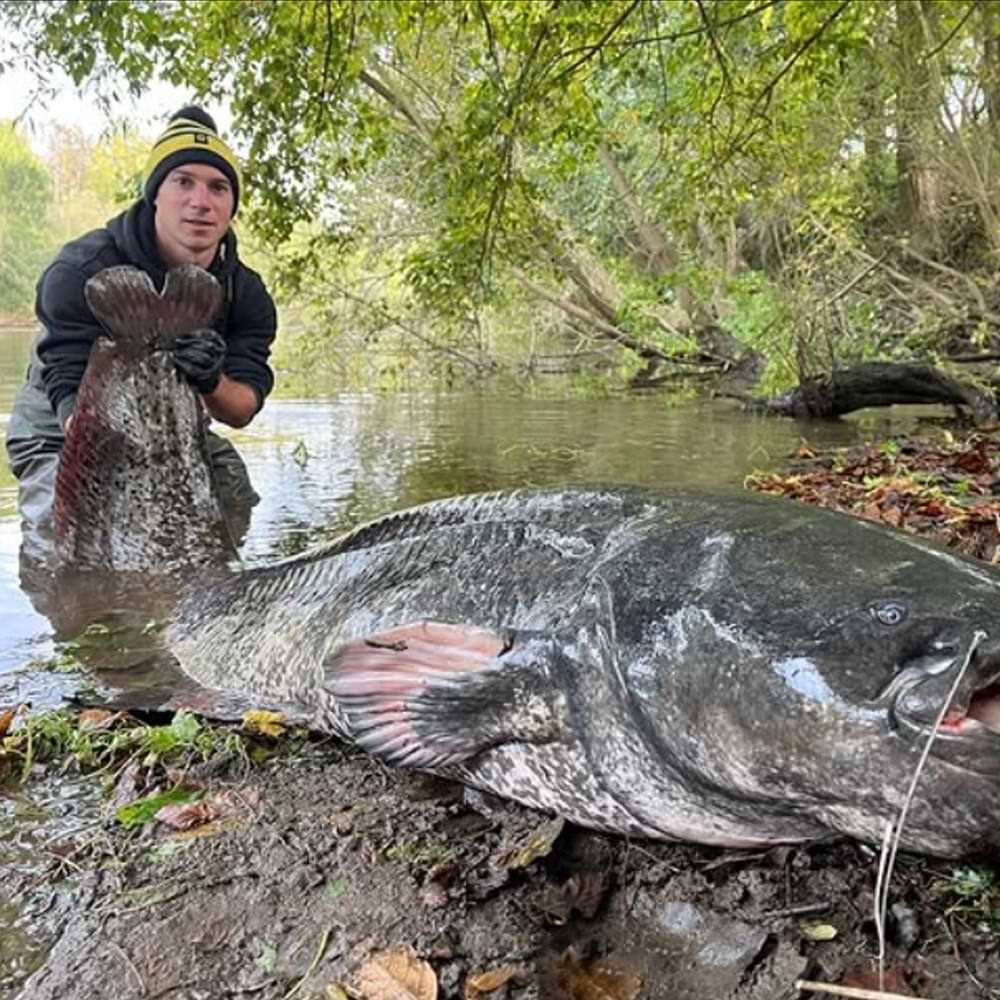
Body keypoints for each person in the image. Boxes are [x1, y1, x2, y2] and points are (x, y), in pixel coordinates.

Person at [5, 105, 277, 558]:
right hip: (62, 424)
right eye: (183, 181)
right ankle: (82, 625)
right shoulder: (80, 270)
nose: (200, 202)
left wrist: (211, 379)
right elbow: (69, 400)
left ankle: (201, 608)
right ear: (155, 193)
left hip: (172, 425)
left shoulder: (244, 294)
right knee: (62, 540)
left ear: (232, 204)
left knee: (231, 491)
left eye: (218, 187)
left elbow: (242, 407)